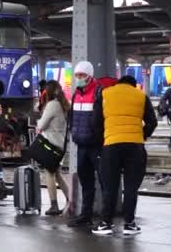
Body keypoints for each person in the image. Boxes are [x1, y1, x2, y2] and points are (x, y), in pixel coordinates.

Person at [92, 75, 157, 235]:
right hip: (135, 146)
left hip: (111, 146)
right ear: (133, 85)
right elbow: (152, 122)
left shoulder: (105, 94)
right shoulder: (141, 96)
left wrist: (104, 138)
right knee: (131, 187)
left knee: (110, 187)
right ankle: (129, 224)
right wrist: (142, 135)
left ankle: (106, 223)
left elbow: (95, 122)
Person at [67, 61, 102, 227]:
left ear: (89, 76)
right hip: (81, 144)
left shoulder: (98, 92)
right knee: (86, 181)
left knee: (104, 180)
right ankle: (86, 216)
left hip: (95, 145)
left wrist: (98, 137)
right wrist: (73, 132)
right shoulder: (77, 94)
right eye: (77, 76)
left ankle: (105, 218)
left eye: (82, 75)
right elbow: (72, 116)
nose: (79, 78)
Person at [35, 80, 70, 216]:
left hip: (50, 144)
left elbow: (41, 126)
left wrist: (40, 119)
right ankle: (70, 200)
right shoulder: (63, 104)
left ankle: (54, 205)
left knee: (49, 173)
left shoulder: (52, 105)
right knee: (57, 174)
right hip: (60, 144)